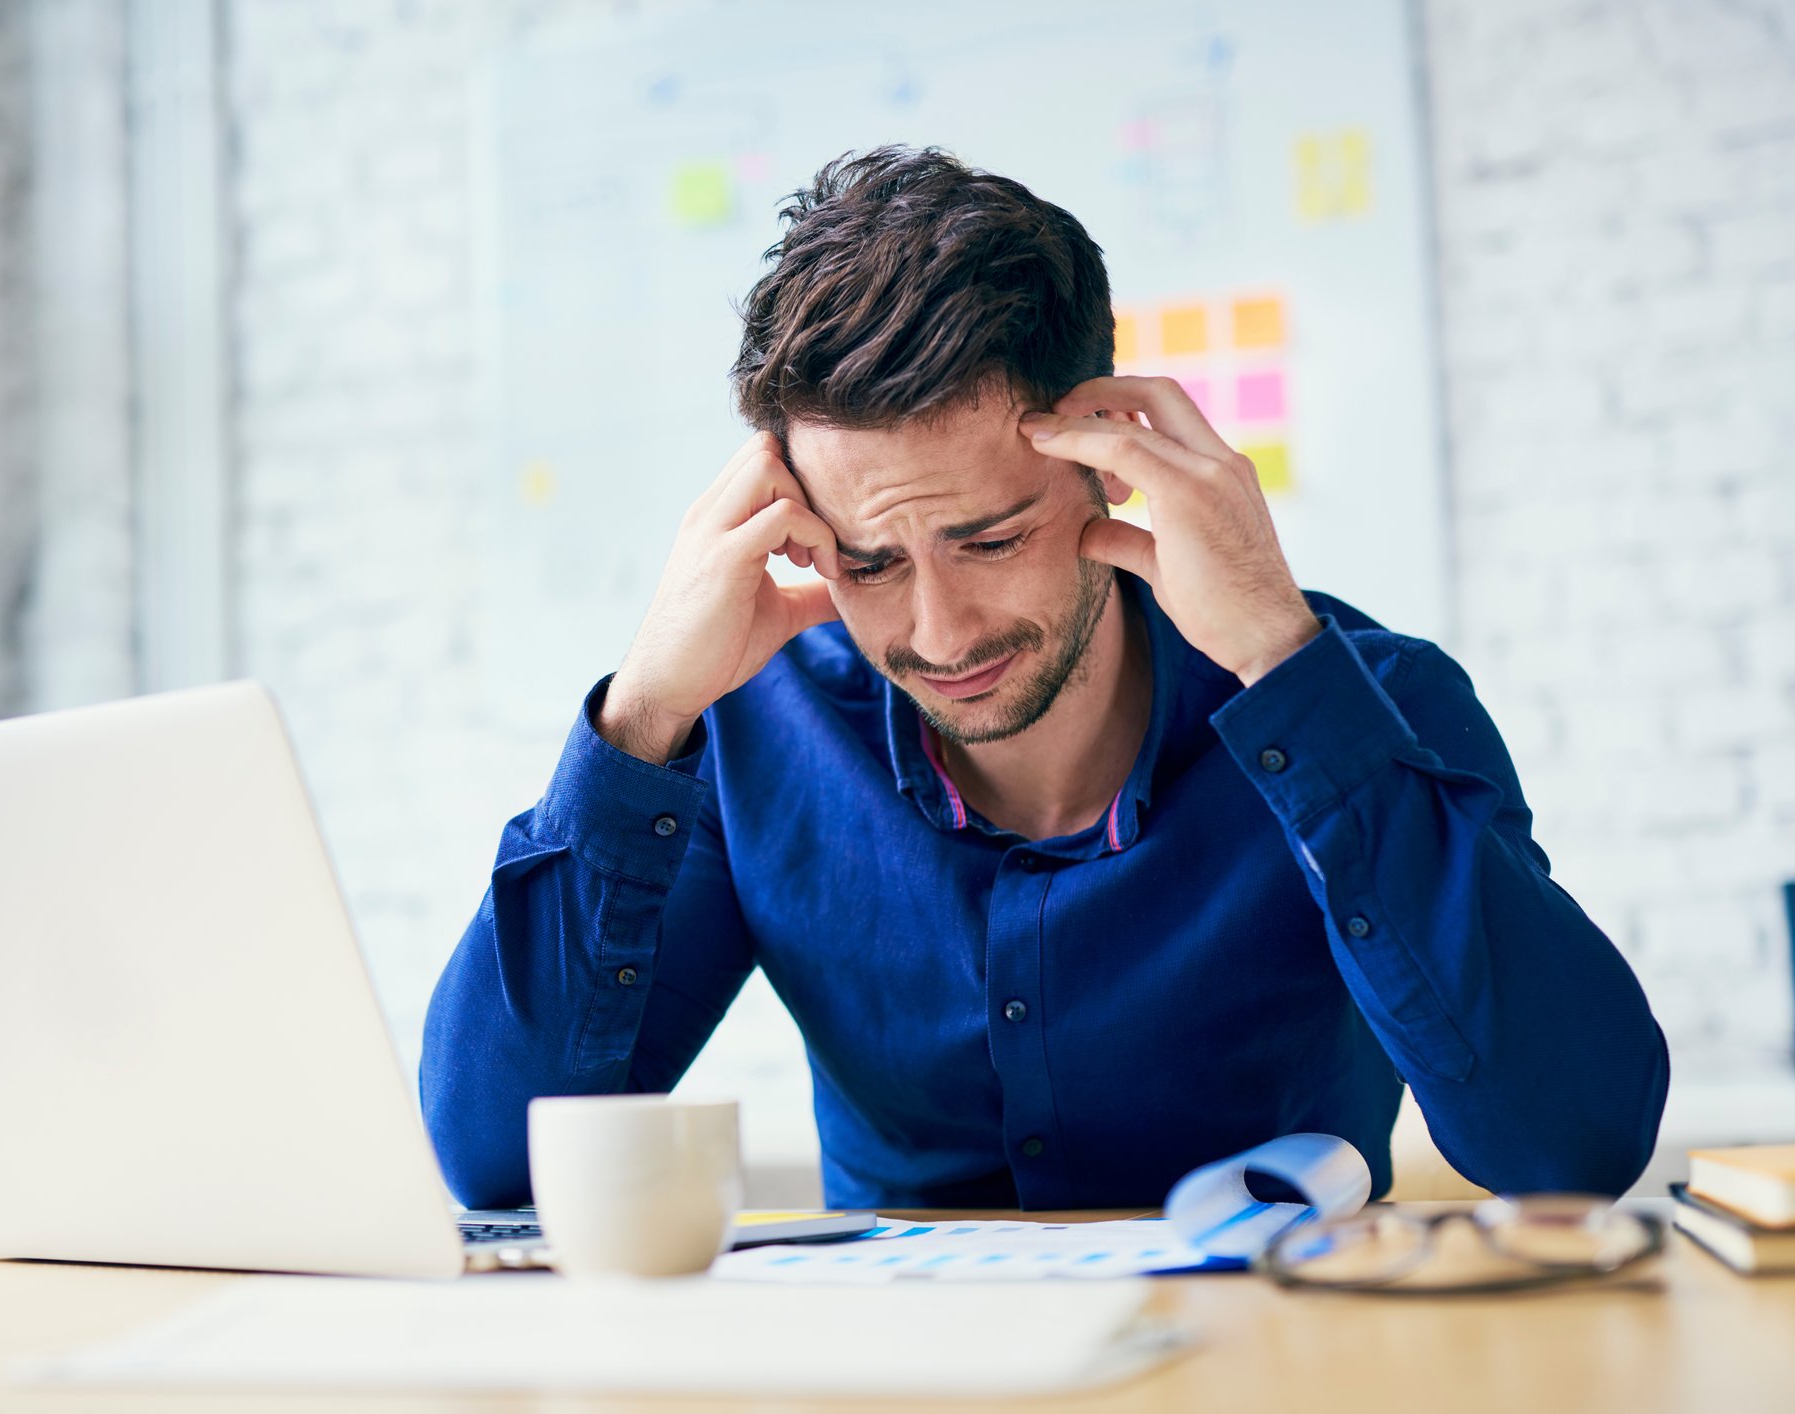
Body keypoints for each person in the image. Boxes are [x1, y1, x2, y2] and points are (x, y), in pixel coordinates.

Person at [420, 145, 1669, 1211]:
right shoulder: (756, 734)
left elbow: (1567, 1148)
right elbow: (493, 1160)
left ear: (1108, 465)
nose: (938, 631)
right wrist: (643, 712)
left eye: (989, 539)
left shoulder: (1363, 704)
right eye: (868, 560)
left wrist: (1281, 661)